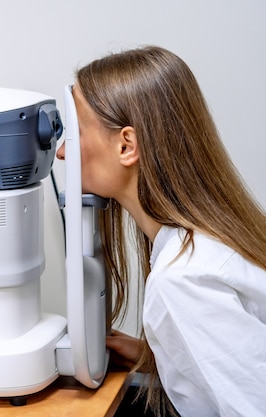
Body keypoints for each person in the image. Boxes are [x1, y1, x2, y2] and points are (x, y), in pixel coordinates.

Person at [56, 46, 266, 416]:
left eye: (75, 132)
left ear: (126, 145)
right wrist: (163, 355)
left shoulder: (183, 281)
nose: (60, 153)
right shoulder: (207, 246)